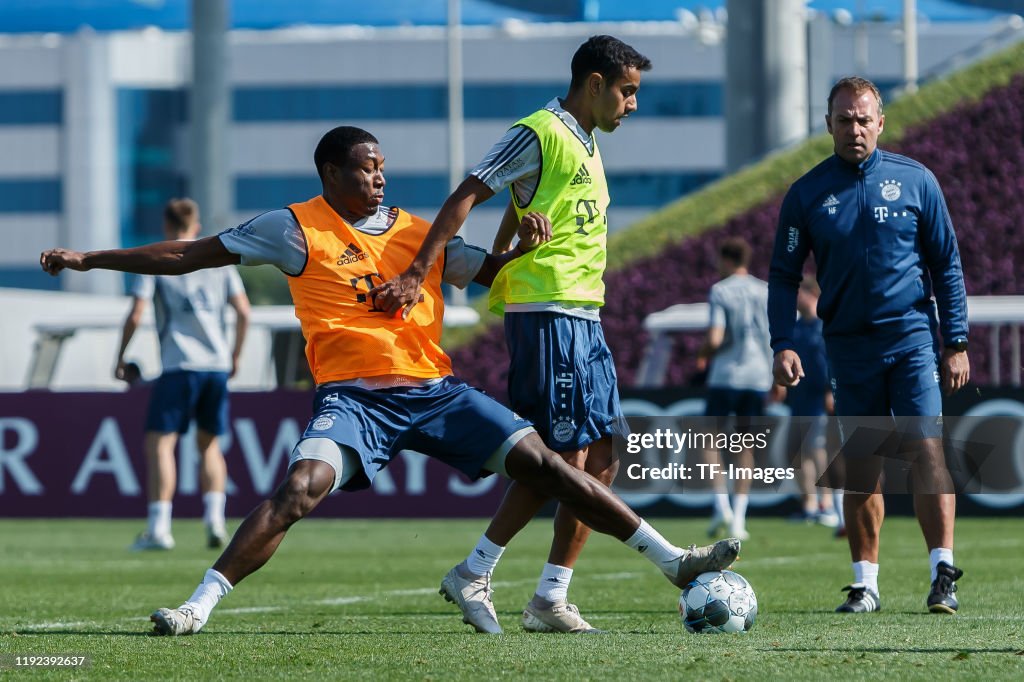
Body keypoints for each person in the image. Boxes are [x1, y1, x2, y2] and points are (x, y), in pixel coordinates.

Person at [40, 126, 739, 637]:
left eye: (382, 166)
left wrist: (517, 244)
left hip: (435, 390)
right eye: (366, 167)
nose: (379, 176)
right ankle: (198, 606)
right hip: (352, 399)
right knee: (297, 492)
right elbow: (189, 254)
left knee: (548, 467)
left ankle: (674, 561)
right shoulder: (293, 229)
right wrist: (90, 260)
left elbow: (485, 272)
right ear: (330, 174)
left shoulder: (415, 232)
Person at [369, 35, 654, 634]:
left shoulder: (588, 141)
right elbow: (469, 192)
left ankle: (551, 596)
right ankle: (476, 569)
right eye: (627, 92)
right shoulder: (539, 130)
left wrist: (505, 246)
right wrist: (423, 271)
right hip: (546, 312)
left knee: (601, 456)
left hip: (584, 313)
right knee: (559, 457)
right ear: (595, 84)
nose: (632, 104)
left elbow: (523, 205)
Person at [768, 77, 969, 615]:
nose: (854, 128)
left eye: (864, 119)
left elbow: (946, 263)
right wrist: (782, 341)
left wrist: (956, 341)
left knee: (926, 448)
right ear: (828, 123)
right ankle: (865, 585)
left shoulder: (916, 181)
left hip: (911, 339)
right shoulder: (807, 193)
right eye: (844, 119)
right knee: (862, 464)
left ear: (880, 122)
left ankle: (942, 573)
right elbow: (784, 275)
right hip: (847, 347)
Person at [116, 198, 250, 551]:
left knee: (160, 444)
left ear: (166, 225)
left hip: (178, 365)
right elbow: (244, 311)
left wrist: (120, 356)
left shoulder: (159, 258)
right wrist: (235, 355)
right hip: (216, 365)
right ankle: (215, 521)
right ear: (196, 225)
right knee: (209, 446)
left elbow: (135, 314)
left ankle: (159, 528)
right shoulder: (218, 260)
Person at [697, 238, 773, 542]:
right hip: (758, 376)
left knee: (709, 440)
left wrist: (702, 354)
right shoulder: (764, 289)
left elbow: (716, 338)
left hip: (726, 374)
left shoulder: (721, 290)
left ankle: (721, 505)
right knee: (746, 445)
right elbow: (772, 334)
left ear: (725, 260)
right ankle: (737, 517)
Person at [775, 276, 841, 530]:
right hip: (798, 399)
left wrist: (829, 390)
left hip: (817, 399)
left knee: (816, 449)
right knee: (795, 452)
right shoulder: (796, 327)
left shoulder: (824, 324)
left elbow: (830, 361)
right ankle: (809, 504)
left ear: (812, 293)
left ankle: (826, 504)